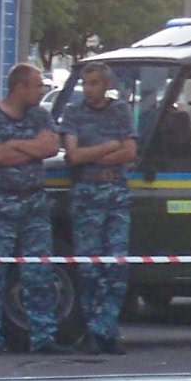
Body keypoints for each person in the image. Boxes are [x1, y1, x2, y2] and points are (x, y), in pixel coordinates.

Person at [0, 62, 62, 356]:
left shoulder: (41, 116)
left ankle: (44, 336)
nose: (42, 91)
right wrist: (29, 146)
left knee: (39, 273)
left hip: (34, 203)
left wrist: (15, 144)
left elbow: (49, 148)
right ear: (20, 87)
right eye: (37, 86)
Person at [57, 61, 138, 356]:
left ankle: (108, 328)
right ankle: (92, 330)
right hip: (86, 192)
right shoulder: (74, 112)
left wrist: (97, 155)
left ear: (106, 85)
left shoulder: (120, 111)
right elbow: (74, 156)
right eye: (85, 83)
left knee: (116, 264)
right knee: (89, 266)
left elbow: (129, 152)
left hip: (115, 190)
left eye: (94, 83)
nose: (88, 89)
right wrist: (107, 148)